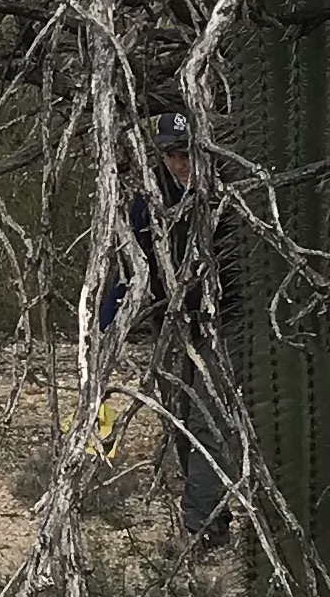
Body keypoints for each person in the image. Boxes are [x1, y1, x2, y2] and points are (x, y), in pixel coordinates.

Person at [97, 112, 238, 545]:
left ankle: (200, 529)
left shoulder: (228, 197)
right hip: (172, 324)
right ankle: (212, 517)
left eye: (187, 152)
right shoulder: (150, 199)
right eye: (172, 154)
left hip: (223, 322)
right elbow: (130, 264)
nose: (181, 163)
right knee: (179, 419)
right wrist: (106, 324)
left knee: (207, 420)